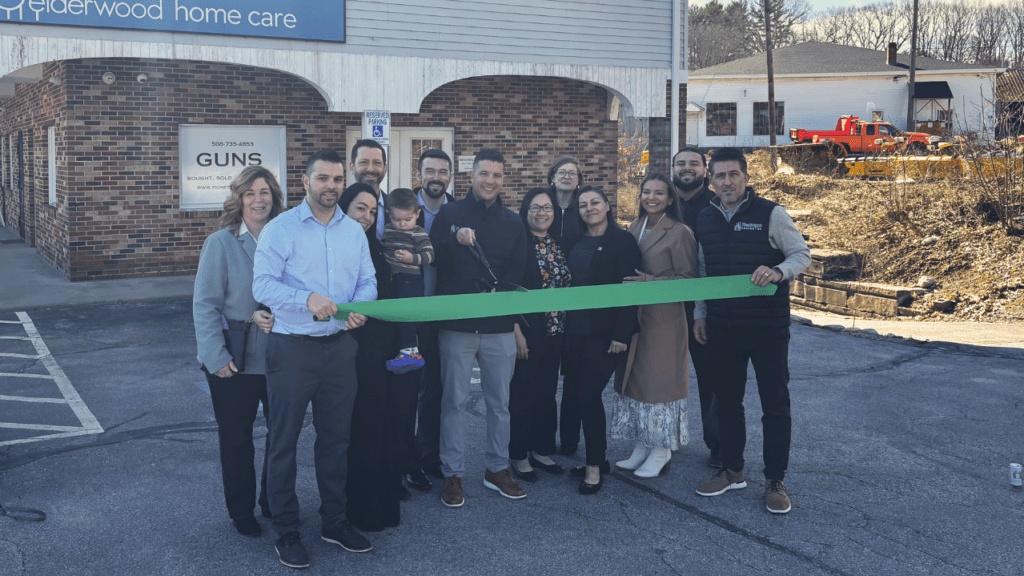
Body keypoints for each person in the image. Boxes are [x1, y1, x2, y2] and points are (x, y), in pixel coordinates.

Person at [253, 149, 376, 569]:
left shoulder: (353, 231)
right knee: (283, 443)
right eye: (323, 179)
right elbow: (264, 285)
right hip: (292, 350)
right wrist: (306, 299)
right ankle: (286, 528)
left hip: (340, 349)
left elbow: (367, 280)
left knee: (336, 442)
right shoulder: (281, 229)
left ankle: (334, 522)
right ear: (305, 182)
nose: (331, 186)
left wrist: (362, 307)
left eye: (338, 179)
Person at [692, 147, 811, 515]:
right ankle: (733, 470)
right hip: (722, 327)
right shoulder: (704, 218)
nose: (727, 181)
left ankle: (775, 479)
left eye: (733, 174)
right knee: (727, 403)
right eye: (720, 176)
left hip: (766, 327)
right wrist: (699, 314)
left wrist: (778, 272)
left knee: (774, 405)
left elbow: (801, 255)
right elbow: (702, 272)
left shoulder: (771, 213)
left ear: (746, 177)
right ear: (711, 180)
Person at [428, 148, 528, 507]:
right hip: (456, 326)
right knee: (452, 402)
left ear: (504, 179)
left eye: (497, 176)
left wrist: (502, 293)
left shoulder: (514, 222)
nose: (490, 181)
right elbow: (434, 255)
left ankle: (497, 468)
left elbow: (519, 268)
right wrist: (453, 240)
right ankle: (452, 473)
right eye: (484, 174)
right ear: (472, 176)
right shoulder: (449, 213)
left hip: (500, 328)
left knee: (499, 404)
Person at [193, 166, 283, 537]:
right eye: (250, 193)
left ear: (274, 197)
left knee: (280, 439)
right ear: (239, 199)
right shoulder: (221, 243)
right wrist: (216, 358)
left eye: (264, 192)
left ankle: (271, 500)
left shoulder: (286, 239)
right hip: (235, 359)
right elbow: (205, 304)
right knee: (236, 439)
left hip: (281, 358)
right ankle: (241, 510)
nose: (259, 199)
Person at [338, 182, 422, 532]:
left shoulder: (378, 244)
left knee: (387, 426)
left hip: (388, 351)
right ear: (344, 208)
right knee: (364, 429)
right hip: (356, 353)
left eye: (374, 211)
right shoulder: (336, 247)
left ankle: (385, 502)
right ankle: (362, 509)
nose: (367, 217)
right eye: (361, 208)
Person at [610, 172, 698, 478]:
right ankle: (643, 445)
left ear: (670, 198)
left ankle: (662, 449)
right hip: (637, 318)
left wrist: (651, 282)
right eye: (646, 192)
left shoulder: (680, 232)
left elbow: (689, 282)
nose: (651, 197)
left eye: (659, 193)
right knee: (637, 382)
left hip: (664, 320)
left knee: (660, 385)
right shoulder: (636, 226)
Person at [562, 185, 641, 494]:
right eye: (583, 205)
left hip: (607, 335)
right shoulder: (575, 241)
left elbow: (630, 288)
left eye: (595, 202)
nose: (589, 208)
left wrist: (621, 335)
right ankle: (600, 457)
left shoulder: (622, 241)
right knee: (579, 397)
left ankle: (594, 467)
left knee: (587, 396)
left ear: (607, 205)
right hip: (575, 332)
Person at [507, 188, 571, 483]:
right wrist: (515, 330)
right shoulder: (519, 245)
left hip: (556, 331)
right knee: (522, 393)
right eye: (535, 207)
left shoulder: (559, 243)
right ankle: (519, 454)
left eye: (547, 207)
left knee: (547, 394)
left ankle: (542, 450)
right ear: (525, 211)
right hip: (528, 332)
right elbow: (509, 290)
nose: (542, 212)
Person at [408, 149, 455, 490]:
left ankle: (428, 457)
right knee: (406, 389)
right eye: (430, 171)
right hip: (408, 314)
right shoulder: (401, 209)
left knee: (436, 390)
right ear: (419, 174)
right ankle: (404, 459)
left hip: (447, 316)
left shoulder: (459, 212)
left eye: (442, 171)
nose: (436, 177)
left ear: (450, 176)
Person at [672, 146, 721, 469]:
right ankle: (662, 439)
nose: (687, 168)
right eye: (681, 164)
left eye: (694, 163)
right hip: (666, 307)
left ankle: (718, 445)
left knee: (712, 378)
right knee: (662, 375)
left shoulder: (718, 205)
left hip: (706, 309)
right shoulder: (660, 203)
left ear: (705, 170)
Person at [380, 187, 434, 374]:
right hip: (394, 280)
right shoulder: (387, 230)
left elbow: (429, 255)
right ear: (388, 215)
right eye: (396, 219)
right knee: (397, 316)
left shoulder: (417, 233)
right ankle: (404, 352)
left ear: (417, 214)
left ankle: (411, 353)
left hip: (410, 280)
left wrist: (412, 259)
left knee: (405, 317)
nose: (402, 224)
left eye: (407, 219)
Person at [348, 139, 389, 240]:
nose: (370, 169)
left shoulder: (397, 207)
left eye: (377, 163)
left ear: (385, 169)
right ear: (352, 167)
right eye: (363, 162)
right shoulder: (337, 208)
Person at [546, 155, 584, 242]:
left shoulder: (584, 206)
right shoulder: (542, 205)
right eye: (561, 172)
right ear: (553, 178)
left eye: (572, 173)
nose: (567, 177)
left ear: (578, 180)